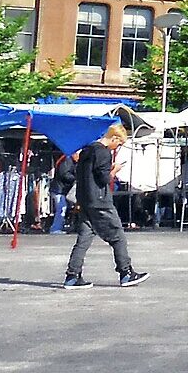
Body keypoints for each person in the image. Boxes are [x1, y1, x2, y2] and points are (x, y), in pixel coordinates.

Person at [60, 124, 148, 289]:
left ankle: (72, 276)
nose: (118, 147)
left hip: (84, 199)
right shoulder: (103, 152)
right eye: (119, 143)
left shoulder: (86, 150)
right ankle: (126, 273)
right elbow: (104, 179)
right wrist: (114, 170)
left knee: (85, 237)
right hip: (100, 201)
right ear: (113, 138)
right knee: (117, 235)